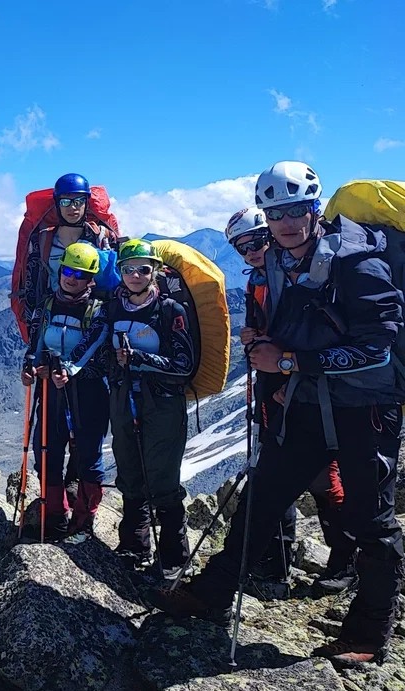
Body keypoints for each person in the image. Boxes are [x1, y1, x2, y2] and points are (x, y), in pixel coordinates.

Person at [158, 162, 404, 666]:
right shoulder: (279, 263)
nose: (287, 222)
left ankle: (369, 631)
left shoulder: (358, 264)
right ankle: (212, 594)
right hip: (310, 402)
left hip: (368, 406)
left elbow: (380, 349)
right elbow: (307, 327)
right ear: (265, 218)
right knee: (264, 492)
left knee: (372, 519)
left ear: (315, 209)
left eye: (296, 210)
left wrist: (289, 360)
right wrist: (268, 342)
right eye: (276, 213)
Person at [224, 208, 357, 599]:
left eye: (254, 241)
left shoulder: (303, 277)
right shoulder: (262, 281)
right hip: (276, 389)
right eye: (240, 246)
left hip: (305, 390)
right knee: (274, 471)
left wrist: (286, 371)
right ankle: (277, 565)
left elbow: (313, 338)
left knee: (321, 479)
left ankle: (344, 561)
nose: (249, 251)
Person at [107, 239, 195, 580]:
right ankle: (134, 546)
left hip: (163, 403)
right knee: (129, 469)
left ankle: (174, 557)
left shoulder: (172, 311)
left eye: (143, 269)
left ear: (155, 272)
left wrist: (139, 358)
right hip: (124, 397)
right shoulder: (112, 308)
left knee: (162, 477)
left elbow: (184, 365)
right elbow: (102, 353)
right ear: (119, 272)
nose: (135, 275)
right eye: (128, 269)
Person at [22, 242, 112, 539]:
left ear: (92, 280)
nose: (72, 278)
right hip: (50, 391)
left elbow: (95, 351)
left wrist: (69, 370)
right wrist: (32, 367)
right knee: (46, 451)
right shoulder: (46, 306)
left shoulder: (99, 312)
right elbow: (35, 345)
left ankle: (83, 523)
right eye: (68, 271)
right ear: (60, 271)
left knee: (88, 455)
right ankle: (56, 518)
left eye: (82, 274)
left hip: (89, 393)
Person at [20, 173, 120, 340]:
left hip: (95, 319)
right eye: (65, 201)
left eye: (78, 201)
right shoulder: (42, 240)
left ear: (86, 204)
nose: (72, 207)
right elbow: (33, 286)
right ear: (57, 204)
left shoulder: (102, 238)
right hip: (52, 318)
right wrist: (34, 329)